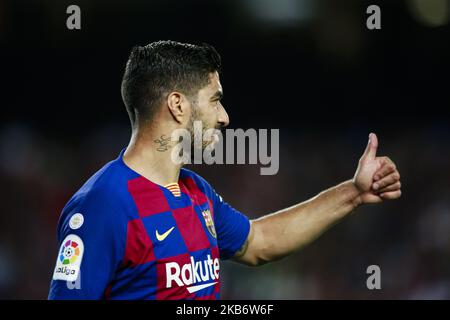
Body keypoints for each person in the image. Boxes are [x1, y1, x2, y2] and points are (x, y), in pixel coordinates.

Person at [48, 40, 401, 300]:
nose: (224, 116)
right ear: (177, 105)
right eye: (215, 99)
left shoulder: (196, 191)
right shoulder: (102, 205)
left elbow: (258, 242)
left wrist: (353, 193)